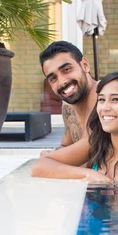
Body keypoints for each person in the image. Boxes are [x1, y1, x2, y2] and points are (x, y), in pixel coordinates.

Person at [31, 69, 118, 184]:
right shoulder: (98, 145)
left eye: (115, 99)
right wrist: (89, 174)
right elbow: (39, 167)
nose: (104, 107)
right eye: (101, 100)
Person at [37, 41, 98, 172]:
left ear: (85, 65)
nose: (62, 81)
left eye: (66, 70)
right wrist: (51, 153)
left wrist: (50, 159)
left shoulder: (102, 94)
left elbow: (90, 145)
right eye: (53, 78)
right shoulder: (68, 106)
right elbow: (66, 145)